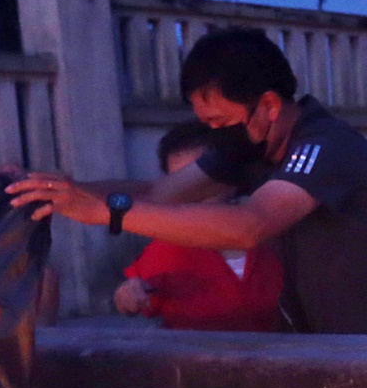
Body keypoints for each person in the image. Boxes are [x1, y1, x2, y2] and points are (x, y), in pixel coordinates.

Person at [8, 27, 367, 337]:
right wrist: (54, 190)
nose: (216, 134)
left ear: (269, 105)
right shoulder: (250, 146)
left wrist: (108, 211)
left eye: (221, 122)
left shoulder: (324, 146)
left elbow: (251, 224)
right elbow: (159, 193)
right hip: (336, 349)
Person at [113, 123, 284, 331]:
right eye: (182, 185)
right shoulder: (169, 246)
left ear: (233, 176)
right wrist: (129, 294)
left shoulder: (274, 229)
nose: (195, 193)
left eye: (202, 181)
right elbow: (136, 291)